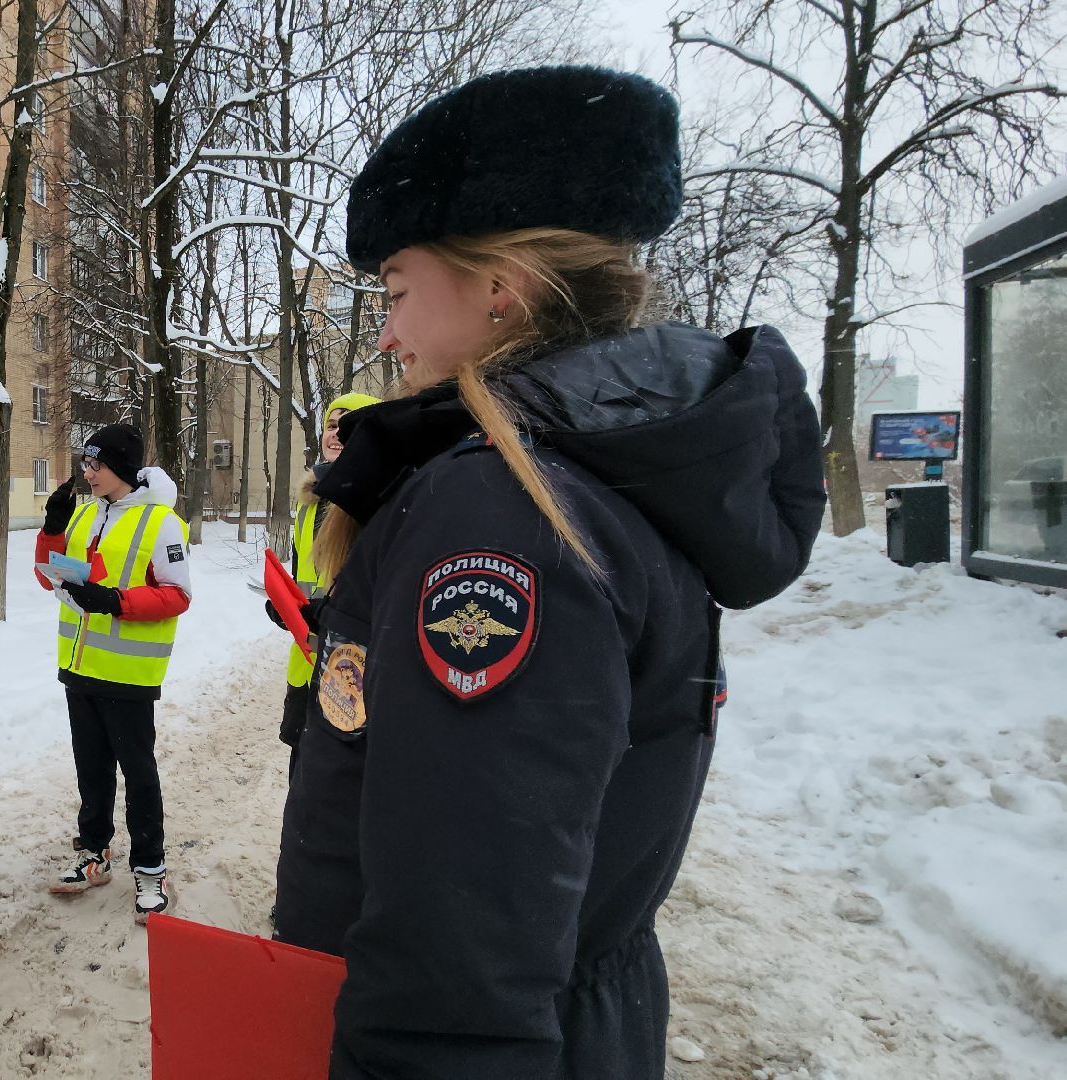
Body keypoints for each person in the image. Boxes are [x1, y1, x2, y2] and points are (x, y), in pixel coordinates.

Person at [271, 66, 826, 1078]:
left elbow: (461, 942)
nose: (385, 331)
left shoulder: (498, 511)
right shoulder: (592, 476)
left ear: (500, 285)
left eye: (396, 290)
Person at [32, 423, 192, 923]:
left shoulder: (161, 522)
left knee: (138, 773)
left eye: (96, 464)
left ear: (122, 467)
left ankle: (150, 869)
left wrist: (115, 601)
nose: (88, 471)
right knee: (91, 768)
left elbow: (177, 595)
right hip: (79, 665)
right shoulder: (84, 515)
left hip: (128, 674)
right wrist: (52, 529)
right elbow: (47, 577)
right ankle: (94, 853)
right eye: (86, 462)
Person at [269, 392, 381, 755]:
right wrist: (286, 608)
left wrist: (325, 612)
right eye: (332, 425)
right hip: (306, 665)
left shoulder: (381, 500)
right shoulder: (310, 503)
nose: (336, 433)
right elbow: (306, 579)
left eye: (348, 426)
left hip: (354, 677)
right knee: (301, 781)